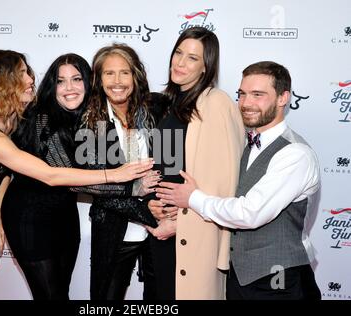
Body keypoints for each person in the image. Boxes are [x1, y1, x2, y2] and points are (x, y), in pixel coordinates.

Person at [0, 50, 154, 300]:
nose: (30, 78)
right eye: (22, 73)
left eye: (77, 79)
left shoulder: (9, 121)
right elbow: (51, 175)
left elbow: (5, 174)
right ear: (3, 82)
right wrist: (118, 177)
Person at [155, 61, 321, 300]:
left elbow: (250, 213)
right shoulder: (243, 141)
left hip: (279, 279)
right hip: (238, 277)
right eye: (242, 94)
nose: (246, 103)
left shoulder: (295, 154)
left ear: (284, 98)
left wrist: (192, 198)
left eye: (258, 95)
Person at [0, 53, 157, 300]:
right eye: (61, 81)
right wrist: (132, 188)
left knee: (61, 292)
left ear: (89, 83)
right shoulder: (43, 119)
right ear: (53, 86)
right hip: (30, 219)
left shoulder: (87, 118)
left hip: (64, 217)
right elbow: (69, 180)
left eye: (76, 79)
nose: (69, 88)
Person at [145, 27, 245, 299]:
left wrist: (182, 223)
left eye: (192, 58)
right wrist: (152, 203)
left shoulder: (215, 103)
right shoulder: (171, 104)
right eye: (178, 52)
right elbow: (165, 168)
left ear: (205, 67)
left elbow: (224, 184)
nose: (179, 62)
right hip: (164, 228)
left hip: (193, 232)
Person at [80, 43, 166, 300]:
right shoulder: (89, 122)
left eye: (124, 73)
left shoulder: (157, 110)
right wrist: (146, 212)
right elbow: (97, 185)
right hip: (115, 229)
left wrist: (162, 212)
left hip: (159, 231)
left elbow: (170, 165)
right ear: (98, 79)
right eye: (109, 73)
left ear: (136, 76)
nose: (117, 81)